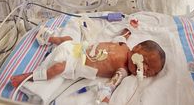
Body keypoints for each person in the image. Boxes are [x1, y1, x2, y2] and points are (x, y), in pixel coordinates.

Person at [10, 29, 165, 103]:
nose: (144, 70)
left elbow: (112, 84)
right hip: (78, 48)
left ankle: (29, 76)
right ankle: (51, 39)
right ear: (137, 48)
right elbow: (121, 36)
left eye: (149, 73)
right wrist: (128, 30)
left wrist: (105, 97)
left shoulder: (123, 70)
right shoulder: (123, 46)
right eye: (146, 63)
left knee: (57, 69)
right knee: (67, 39)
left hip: (77, 64)